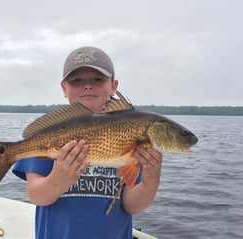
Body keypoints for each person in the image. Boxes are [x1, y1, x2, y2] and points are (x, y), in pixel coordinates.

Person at [12, 46, 162, 239]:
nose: (88, 86)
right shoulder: (51, 132)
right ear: (64, 88)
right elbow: (36, 196)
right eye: (77, 81)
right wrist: (58, 179)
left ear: (113, 86)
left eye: (98, 80)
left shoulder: (133, 134)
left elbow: (131, 205)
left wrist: (151, 181)